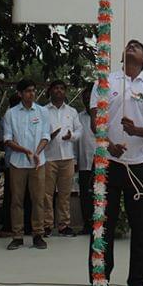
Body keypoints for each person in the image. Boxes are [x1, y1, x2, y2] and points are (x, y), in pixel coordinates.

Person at [90, 39, 143, 286]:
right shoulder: (105, 81)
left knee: (142, 229)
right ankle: (99, 285)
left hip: (139, 165)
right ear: (122, 56)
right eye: (128, 45)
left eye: (137, 46)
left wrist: (135, 131)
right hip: (108, 163)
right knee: (102, 228)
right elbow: (94, 120)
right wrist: (108, 144)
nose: (131, 46)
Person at [2, 79, 51, 251]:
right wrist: (25, 151)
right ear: (20, 93)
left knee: (38, 199)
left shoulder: (43, 111)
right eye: (28, 91)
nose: (32, 94)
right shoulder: (11, 114)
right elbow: (7, 139)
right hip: (18, 163)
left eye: (33, 90)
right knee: (17, 200)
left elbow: (46, 135)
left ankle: (38, 234)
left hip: (38, 163)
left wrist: (36, 152)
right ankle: (17, 235)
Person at [43, 80, 82, 237]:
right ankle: (46, 225)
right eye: (56, 88)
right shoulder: (43, 111)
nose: (59, 91)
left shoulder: (72, 111)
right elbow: (38, 132)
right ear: (50, 91)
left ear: (65, 92)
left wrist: (71, 136)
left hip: (67, 158)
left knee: (65, 194)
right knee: (46, 194)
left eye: (61, 88)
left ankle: (64, 225)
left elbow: (79, 131)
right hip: (48, 158)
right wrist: (49, 136)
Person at [76, 85, 95, 235]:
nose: (88, 100)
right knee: (85, 196)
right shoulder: (78, 117)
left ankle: (100, 224)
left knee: (100, 194)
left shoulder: (104, 116)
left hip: (101, 163)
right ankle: (87, 225)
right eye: (85, 98)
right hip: (84, 162)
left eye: (90, 98)